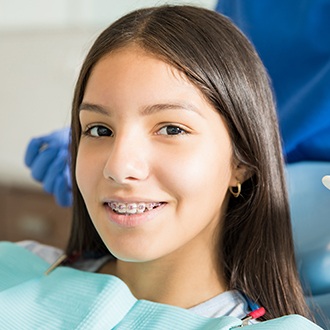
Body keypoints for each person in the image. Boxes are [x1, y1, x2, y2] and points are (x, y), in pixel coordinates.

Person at [11, 5, 322, 328]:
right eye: (99, 130)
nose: (119, 166)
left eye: (172, 129)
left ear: (241, 162)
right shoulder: (15, 269)